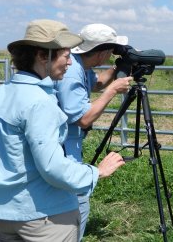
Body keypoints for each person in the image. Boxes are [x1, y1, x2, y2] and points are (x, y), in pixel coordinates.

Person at [0, 19, 125, 241]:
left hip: (5, 211)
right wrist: (96, 172)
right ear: (42, 56)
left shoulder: (4, 92)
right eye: (66, 56)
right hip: (44, 216)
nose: (69, 63)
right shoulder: (40, 102)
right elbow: (52, 167)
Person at [55, 23, 133, 240]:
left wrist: (117, 69)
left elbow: (96, 83)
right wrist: (112, 91)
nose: (112, 54)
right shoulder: (72, 72)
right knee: (78, 200)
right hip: (63, 148)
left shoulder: (80, 65)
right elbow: (83, 119)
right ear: (101, 52)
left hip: (67, 145)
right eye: (111, 50)